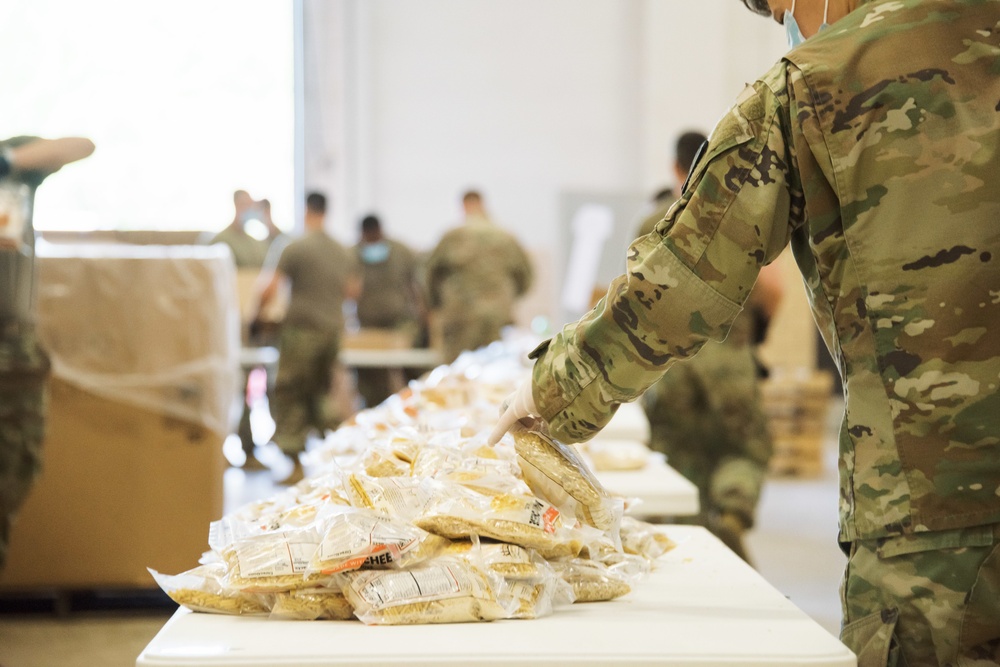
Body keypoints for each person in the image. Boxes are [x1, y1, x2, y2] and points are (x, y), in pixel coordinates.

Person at [490, 0, 1000, 664]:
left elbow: (676, 285)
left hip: (934, 522)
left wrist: (550, 387)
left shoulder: (814, 80)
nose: (790, 25)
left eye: (784, 8)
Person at [636, 131, 784, 563]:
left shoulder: (653, 222)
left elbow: (632, 299)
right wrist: (754, 334)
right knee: (742, 449)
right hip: (730, 361)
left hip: (672, 366)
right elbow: (774, 288)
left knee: (678, 458)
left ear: (676, 169)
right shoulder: (741, 216)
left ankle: (692, 550)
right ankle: (732, 515)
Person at [0, 135, 95, 570]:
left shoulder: (13, 165)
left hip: (11, 351)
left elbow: (80, 145)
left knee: (14, 472)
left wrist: (8, 161)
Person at [258, 192, 360, 485]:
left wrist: (255, 318)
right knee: (322, 392)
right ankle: (336, 460)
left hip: (301, 332)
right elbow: (352, 291)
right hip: (331, 332)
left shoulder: (294, 247)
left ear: (306, 211)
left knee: (289, 393)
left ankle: (294, 463)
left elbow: (270, 288)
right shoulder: (342, 250)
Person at [426, 190, 534, 364]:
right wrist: (508, 299)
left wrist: (436, 305)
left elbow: (430, 274)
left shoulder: (452, 236)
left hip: (460, 317)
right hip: (497, 316)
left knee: (456, 373)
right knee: (497, 372)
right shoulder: (506, 237)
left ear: (463, 206)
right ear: (483, 204)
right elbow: (526, 276)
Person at [353, 214, 422, 407]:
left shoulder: (401, 252)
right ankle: (375, 410)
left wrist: (424, 316)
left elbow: (416, 286)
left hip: (401, 322)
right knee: (372, 379)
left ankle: (415, 408)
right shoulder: (353, 255)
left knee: (411, 370)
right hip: (369, 325)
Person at [210, 190, 268, 270]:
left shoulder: (254, 243)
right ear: (235, 205)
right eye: (244, 204)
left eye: (250, 205)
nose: (248, 209)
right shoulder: (221, 240)